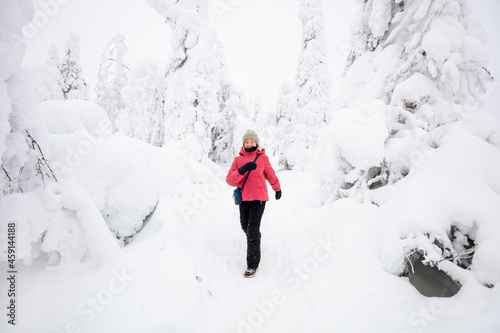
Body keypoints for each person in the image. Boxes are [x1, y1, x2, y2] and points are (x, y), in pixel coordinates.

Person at [226, 130, 282, 278]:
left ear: (256, 143)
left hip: (259, 199)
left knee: (252, 229)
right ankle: (255, 237)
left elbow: (271, 175)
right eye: (246, 142)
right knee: (245, 226)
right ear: (243, 144)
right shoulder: (238, 161)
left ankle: (252, 265)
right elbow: (230, 180)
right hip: (244, 200)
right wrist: (242, 170)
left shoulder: (263, 159)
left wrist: (277, 188)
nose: (249, 143)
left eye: (252, 141)